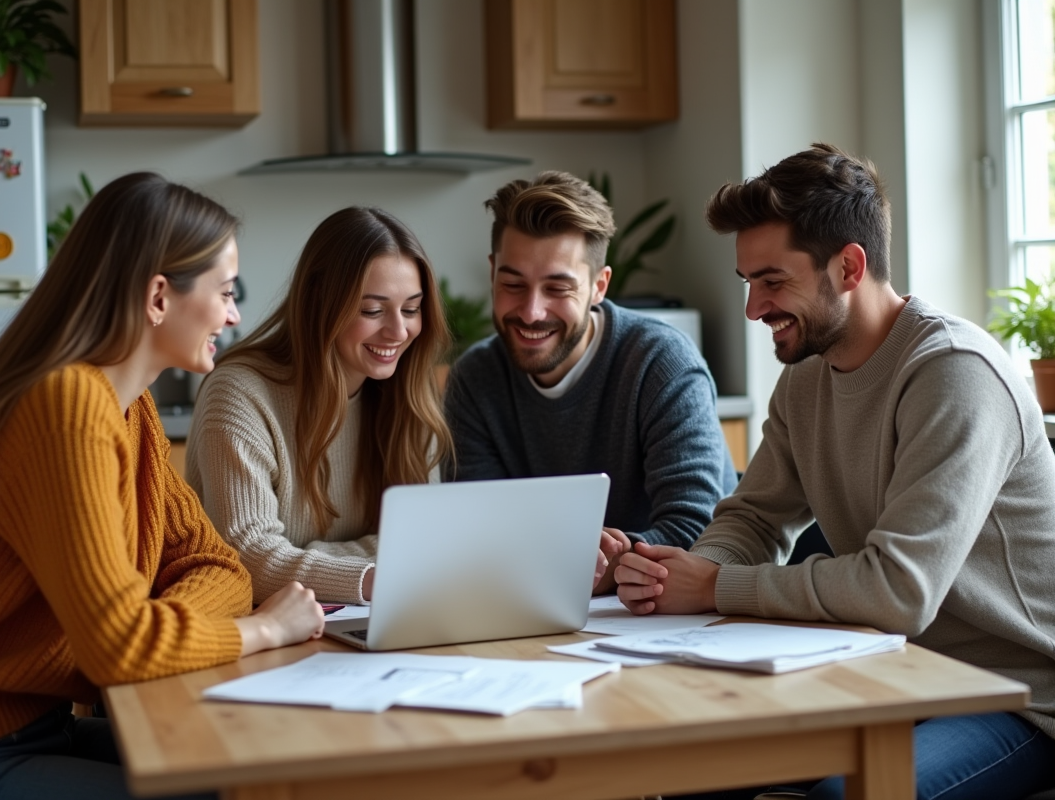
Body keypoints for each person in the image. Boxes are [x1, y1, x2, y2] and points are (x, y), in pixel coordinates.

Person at [615, 144, 1055, 800]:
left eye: (772, 281)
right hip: (896, 672)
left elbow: (897, 592)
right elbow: (754, 517)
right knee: (691, 764)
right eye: (748, 283)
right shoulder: (806, 381)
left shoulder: (955, 374)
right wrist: (674, 583)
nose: (752, 308)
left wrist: (715, 588)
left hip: (1017, 695)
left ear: (848, 266)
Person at [0, 172, 326, 800]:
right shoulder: (65, 407)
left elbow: (218, 566)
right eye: (224, 291)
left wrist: (152, 629)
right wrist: (264, 631)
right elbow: (119, 649)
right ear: (158, 297)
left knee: (258, 770)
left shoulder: (128, 405)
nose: (233, 313)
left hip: (37, 730)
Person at [444, 171, 736, 593]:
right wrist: (582, 561)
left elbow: (700, 533)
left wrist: (611, 561)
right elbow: (480, 534)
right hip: (538, 612)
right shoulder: (474, 380)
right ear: (492, 273)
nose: (530, 312)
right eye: (513, 285)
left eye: (557, 288)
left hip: (662, 621)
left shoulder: (661, 363)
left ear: (599, 286)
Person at [185, 207, 452, 606]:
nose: (399, 331)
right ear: (319, 304)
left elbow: (427, 540)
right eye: (372, 310)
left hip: (369, 618)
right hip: (266, 633)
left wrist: (304, 558)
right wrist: (377, 573)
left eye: (411, 309)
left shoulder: (409, 394)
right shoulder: (239, 394)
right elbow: (246, 558)